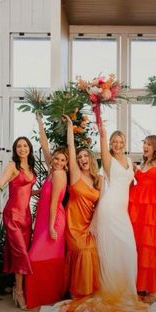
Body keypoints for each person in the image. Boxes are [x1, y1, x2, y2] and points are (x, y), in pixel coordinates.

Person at [38, 121, 156, 312]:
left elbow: (141, 181)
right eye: (114, 141)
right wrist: (100, 124)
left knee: (128, 251)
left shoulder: (131, 162)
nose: (117, 143)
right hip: (108, 209)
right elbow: (103, 148)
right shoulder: (108, 160)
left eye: (120, 141)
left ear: (124, 143)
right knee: (109, 252)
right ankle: (108, 289)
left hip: (121, 211)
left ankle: (126, 292)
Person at [25, 113, 68, 309]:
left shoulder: (59, 174)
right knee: (39, 257)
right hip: (44, 219)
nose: (57, 162)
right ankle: (44, 296)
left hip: (53, 219)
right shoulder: (53, 170)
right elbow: (44, 146)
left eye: (61, 160)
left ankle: (46, 296)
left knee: (35, 257)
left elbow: (53, 203)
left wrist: (51, 227)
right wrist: (40, 123)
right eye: (56, 159)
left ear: (66, 163)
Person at [0, 137, 36, 310]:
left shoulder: (30, 168)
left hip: (26, 217)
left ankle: (17, 286)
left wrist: (46, 190)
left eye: (25, 146)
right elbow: (0, 185)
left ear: (29, 149)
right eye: (19, 146)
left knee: (21, 252)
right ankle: (19, 292)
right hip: (13, 216)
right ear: (15, 150)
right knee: (21, 253)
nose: (22, 149)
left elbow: (27, 190)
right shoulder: (12, 166)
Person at [128, 100, 156, 303]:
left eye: (148, 144)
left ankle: (152, 288)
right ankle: (137, 286)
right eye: (144, 143)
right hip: (135, 211)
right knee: (136, 247)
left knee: (149, 248)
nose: (144, 146)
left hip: (150, 211)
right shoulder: (140, 164)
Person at [62, 114, 101, 298]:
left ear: (90, 158)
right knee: (81, 252)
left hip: (89, 222)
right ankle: (78, 292)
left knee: (91, 250)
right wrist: (70, 126)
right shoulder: (75, 174)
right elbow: (71, 147)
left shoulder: (97, 179)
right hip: (73, 223)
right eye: (79, 157)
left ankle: (89, 290)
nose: (82, 158)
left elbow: (100, 206)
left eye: (85, 155)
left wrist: (93, 224)